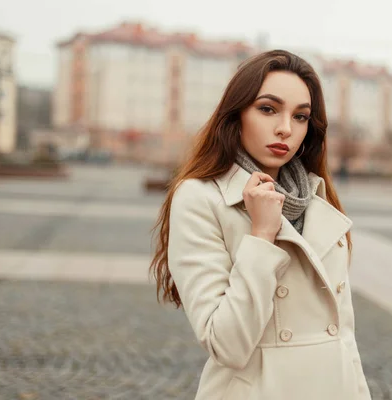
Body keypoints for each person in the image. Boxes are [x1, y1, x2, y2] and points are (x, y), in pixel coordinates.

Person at [149, 49, 371, 400]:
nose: (285, 128)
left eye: (300, 117)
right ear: (236, 115)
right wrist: (262, 236)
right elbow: (227, 345)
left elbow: (344, 339)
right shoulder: (199, 198)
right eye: (268, 109)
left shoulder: (315, 196)